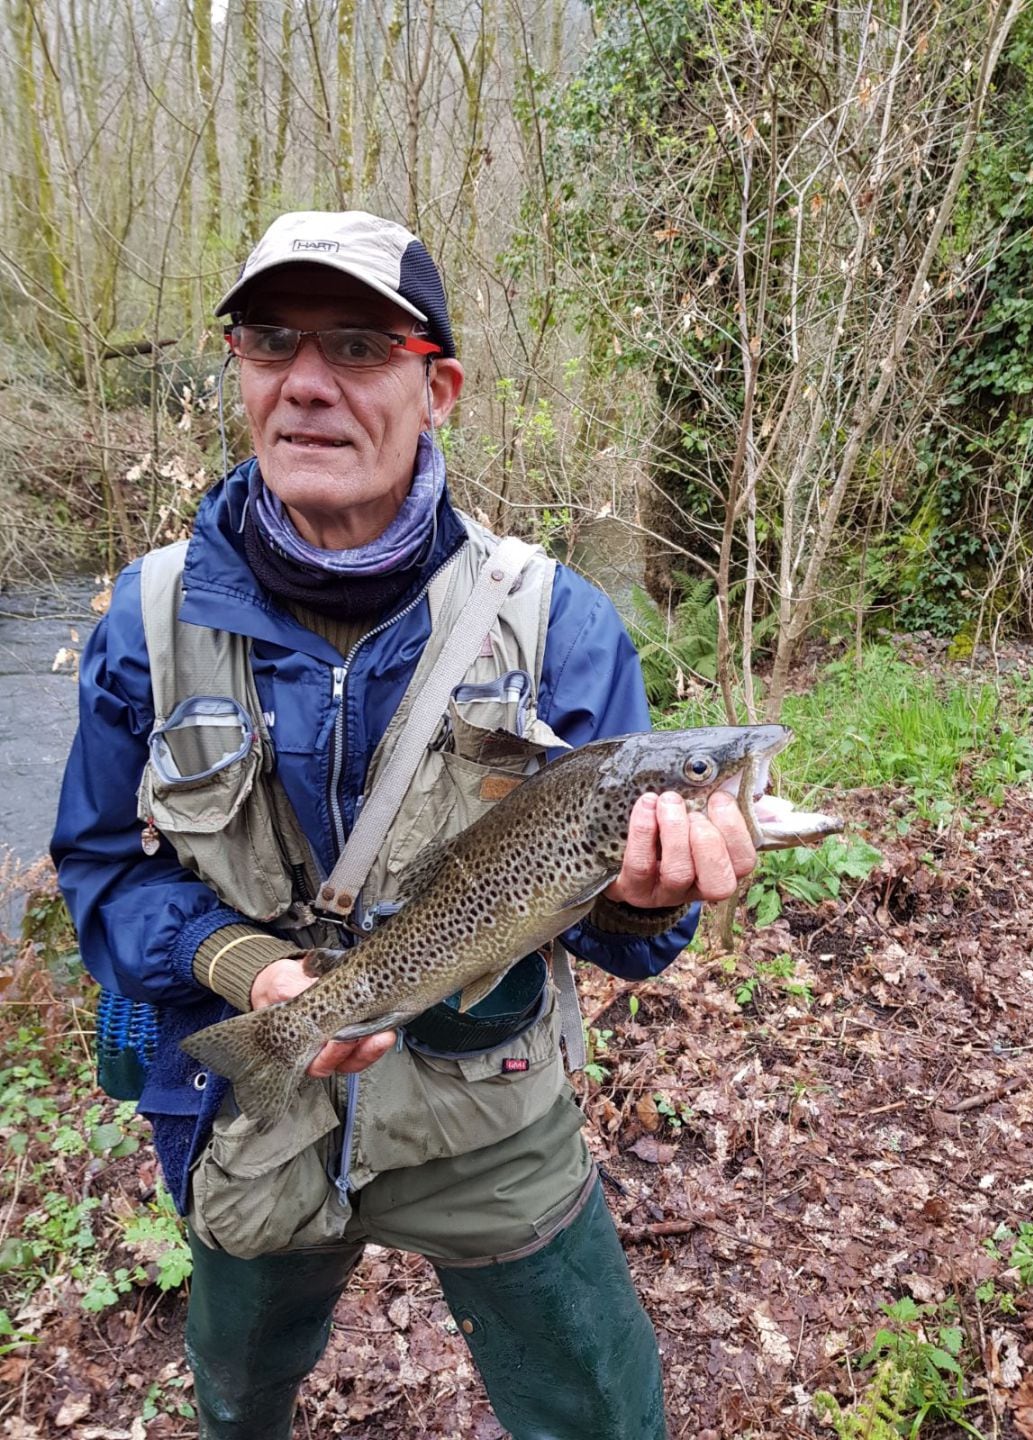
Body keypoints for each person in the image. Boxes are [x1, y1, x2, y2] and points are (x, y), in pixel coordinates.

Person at [52, 210, 758, 1440]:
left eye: (360, 347)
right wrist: (247, 972)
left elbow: (631, 940)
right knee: (237, 1394)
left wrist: (649, 899)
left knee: (603, 1408)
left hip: (492, 1108)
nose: (308, 383)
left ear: (439, 387)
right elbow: (104, 873)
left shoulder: (555, 620)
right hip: (248, 1118)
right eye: (272, 340)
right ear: (238, 367)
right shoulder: (146, 623)